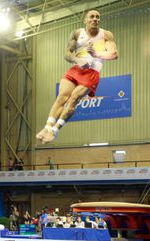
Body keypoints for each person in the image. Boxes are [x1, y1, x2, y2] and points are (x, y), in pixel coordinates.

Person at [36, 9, 118, 144]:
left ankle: (54, 130)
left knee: (73, 99)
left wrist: (96, 55)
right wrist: (77, 60)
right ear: (85, 20)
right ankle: (47, 127)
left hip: (91, 73)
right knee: (61, 97)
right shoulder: (77, 33)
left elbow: (114, 54)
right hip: (76, 69)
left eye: (98, 17)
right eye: (92, 17)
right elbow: (67, 54)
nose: (95, 19)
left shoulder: (106, 35)